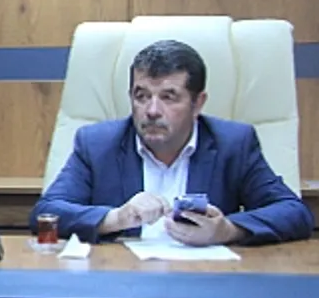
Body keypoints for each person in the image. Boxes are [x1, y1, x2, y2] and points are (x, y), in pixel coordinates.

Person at [32, 39, 313, 246]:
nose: (152, 110)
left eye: (168, 97)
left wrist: (227, 230)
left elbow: (294, 213)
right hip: (121, 282)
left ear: (197, 103)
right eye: (142, 96)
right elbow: (46, 214)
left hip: (205, 284)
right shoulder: (97, 144)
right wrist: (117, 218)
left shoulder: (233, 144)